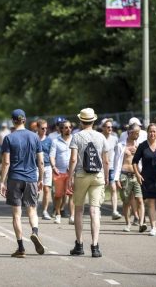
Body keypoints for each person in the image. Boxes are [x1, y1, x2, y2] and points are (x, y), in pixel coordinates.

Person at [0, 109, 45, 258]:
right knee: (32, 210)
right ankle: (35, 232)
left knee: (16, 215)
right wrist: (41, 179)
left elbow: (6, 162)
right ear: (24, 120)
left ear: (13, 121)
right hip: (31, 177)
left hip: (15, 178)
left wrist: (2, 181)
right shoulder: (35, 137)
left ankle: (21, 248)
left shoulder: (8, 138)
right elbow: (41, 162)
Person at [68, 108, 109, 258]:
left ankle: (79, 244)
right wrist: (106, 176)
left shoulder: (76, 137)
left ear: (81, 121)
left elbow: (73, 159)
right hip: (97, 175)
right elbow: (105, 160)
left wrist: (69, 178)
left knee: (79, 209)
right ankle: (95, 246)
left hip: (81, 175)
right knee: (94, 210)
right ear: (93, 121)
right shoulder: (101, 137)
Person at [113, 123, 146, 232]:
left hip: (137, 175)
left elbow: (144, 160)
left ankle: (141, 223)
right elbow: (117, 163)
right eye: (136, 133)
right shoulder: (120, 146)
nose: (138, 135)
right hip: (124, 175)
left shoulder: (140, 145)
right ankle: (128, 223)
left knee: (140, 200)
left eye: (139, 133)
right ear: (130, 132)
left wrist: (138, 152)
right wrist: (116, 179)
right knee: (126, 202)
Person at [49, 119, 73, 224]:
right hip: (59, 172)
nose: (68, 129)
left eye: (69, 127)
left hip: (72, 172)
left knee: (71, 194)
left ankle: (72, 216)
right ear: (61, 129)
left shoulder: (74, 140)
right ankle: (58, 214)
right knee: (58, 195)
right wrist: (54, 167)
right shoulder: (55, 141)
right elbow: (52, 156)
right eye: (66, 127)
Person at [101, 118, 121, 220]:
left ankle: (114, 211)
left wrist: (118, 166)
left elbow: (117, 153)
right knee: (101, 189)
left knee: (113, 188)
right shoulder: (99, 138)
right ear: (103, 127)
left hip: (112, 166)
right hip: (101, 167)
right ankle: (97, 209)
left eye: (111, 127)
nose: (110, 128)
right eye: (108, 127)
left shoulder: (115, 138)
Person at [36, 119, 53, 220]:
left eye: (46, 128)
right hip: (36, 167)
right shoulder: (34, 138)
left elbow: (52, 154)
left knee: (47, 189)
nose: (45, 130)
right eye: (42, 128)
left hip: (47, 166)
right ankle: (34, 208)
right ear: (37, 128)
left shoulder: (49, 140)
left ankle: (45, 211)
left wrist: (54, 166)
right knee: (37, 190)